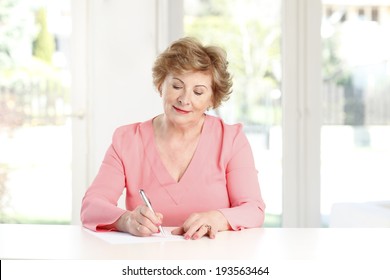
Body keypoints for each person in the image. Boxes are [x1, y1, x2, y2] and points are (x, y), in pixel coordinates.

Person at [81, 37, 265, 240]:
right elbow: (91, 206)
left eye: (198, 92)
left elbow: (253, 209)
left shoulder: (231, 140)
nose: (185, 99)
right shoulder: (127, 140)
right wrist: (125, 220)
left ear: (212, 99)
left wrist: (218, 218)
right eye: (177, 86)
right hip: (148, 264)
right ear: (161, 84)